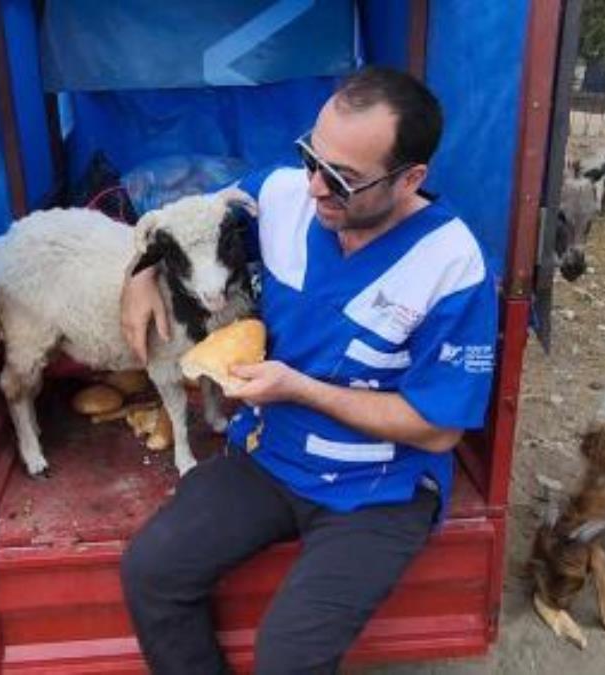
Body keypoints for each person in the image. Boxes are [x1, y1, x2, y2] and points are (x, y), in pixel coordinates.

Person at [117, 66, 500, 674]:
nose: (316, 187)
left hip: (381, 487)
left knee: (287, 657)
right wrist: (138, 274)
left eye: (343, 180)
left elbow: (437, 429)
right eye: (310, 158)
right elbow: (191, 220)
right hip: (270, 455)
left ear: (411, 179)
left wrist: (299, 388)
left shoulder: (452, 266)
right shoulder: (281, 194)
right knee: (151, 572)